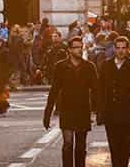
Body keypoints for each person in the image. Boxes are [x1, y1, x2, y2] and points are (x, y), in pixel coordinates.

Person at [44, 36, 98, 167]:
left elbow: (96, 90)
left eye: (81, 47)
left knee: (80, 146)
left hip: (83, 110)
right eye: (76, 47)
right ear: (69, 50)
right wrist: (47, 114)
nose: (79, 50)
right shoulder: (60, 66)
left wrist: (99, 111)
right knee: (67, 144)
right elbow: (54, 91)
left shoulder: (89, 67)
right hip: (67, 110)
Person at [96, 36, 130, 167]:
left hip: (127, 109)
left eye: (123, 48)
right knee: (113, 143)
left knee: (126, 143)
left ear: (128, 49)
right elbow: (100, 88)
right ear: (114, 49)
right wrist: (100, 110)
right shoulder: (106, 65)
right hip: (110, 110)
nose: (121, 51)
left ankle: (123, 164)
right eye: (118, 48)